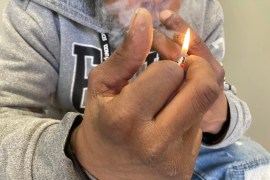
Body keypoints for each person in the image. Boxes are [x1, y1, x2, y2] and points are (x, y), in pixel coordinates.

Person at [0, 0, 270, 179]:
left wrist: (220, 116)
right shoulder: (33, 13)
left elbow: (228, 102)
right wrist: (83, 151)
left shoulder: (203, 9)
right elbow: (6, 121)